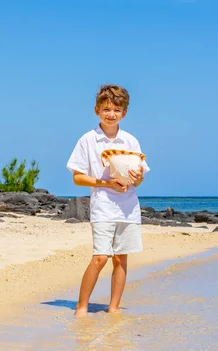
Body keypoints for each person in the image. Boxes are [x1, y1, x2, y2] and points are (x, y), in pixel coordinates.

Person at [66, 84, 150, 317]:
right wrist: (106, 184)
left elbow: (139, 180)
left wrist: (137, 177)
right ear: (97, 110)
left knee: (121, 259)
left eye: (116, 109)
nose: (111, 114)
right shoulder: (88, 140)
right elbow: (78, 178)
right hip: (103, 206)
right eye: (106, 109)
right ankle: (81, 307)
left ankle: (113, 308)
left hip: (128, 207)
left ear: (124, 113)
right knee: (101, 257)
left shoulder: (130, 141)